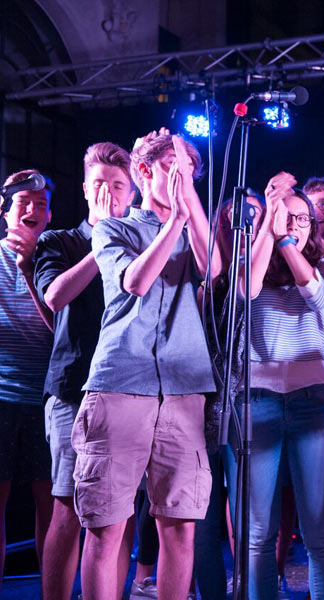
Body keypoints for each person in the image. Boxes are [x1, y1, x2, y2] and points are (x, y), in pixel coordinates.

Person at [75, 132, 219, 600]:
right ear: (144, 173)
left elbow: (214, 269)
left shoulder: (192, 225)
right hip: (120, 385)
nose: (182, 179)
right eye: (172, 169)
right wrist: (174, 219)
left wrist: (188, 206)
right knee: (107, 526)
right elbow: (135, 282)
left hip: (184, 389)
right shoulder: (113, 228)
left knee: (179, 527)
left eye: (189, 171)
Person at [223, 175, 324, 600]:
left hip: (312, 400)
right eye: (285, 216)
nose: (295, 224)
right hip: (256, 399)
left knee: (320, 529)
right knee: (256, 532)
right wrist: (267, 236)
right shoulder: (246, 259)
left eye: (303, 219)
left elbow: (319, 298)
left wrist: (287, 243)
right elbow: (245, 288)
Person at [34, 143, 135, 600]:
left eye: (117, 185)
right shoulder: (59, 241)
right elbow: (55, 297)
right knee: (68, 507)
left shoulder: (141, 243)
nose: (108, 193)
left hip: (128, 391)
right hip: (74, 388)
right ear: (84, 188)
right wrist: (104, 243)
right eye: (99, 184)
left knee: (119, 513)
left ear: (132, 191)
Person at [0, 169, 54, 596]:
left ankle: (50, 589)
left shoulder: (55, 255)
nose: (34, 210)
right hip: (1, 397)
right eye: (25, 203)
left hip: (45, 398)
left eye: (41, 204)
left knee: (50, 506)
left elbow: (63, 329)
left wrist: (32, 263)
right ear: (6, 212)